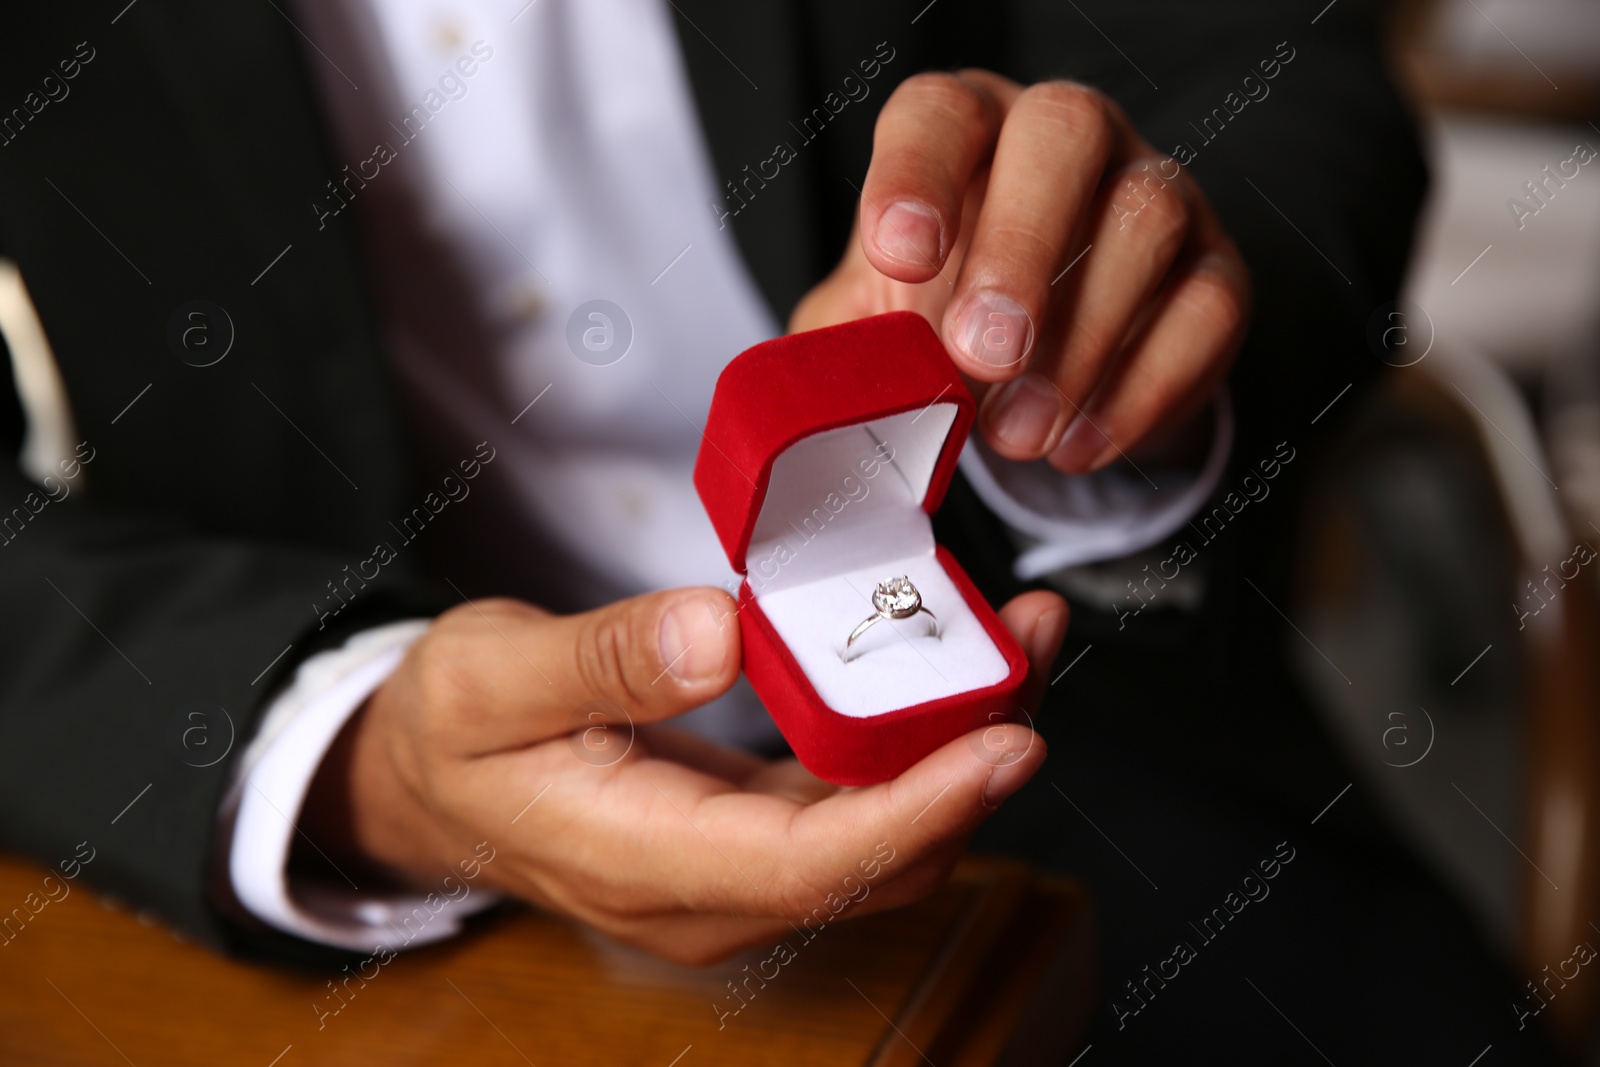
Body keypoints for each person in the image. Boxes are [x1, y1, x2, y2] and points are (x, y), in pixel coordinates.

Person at [0, 0, 1556, 1060]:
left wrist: (1109, 332)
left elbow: (1271, 60)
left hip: (1090, 730)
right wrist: (351, 753)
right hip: (333, 859)